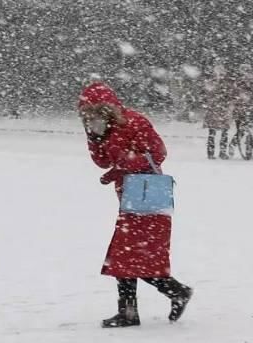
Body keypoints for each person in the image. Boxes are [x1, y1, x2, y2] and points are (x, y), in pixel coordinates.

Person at [78, 82, 193, 328]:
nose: (90, 116)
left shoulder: (134, 121)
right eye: (86, 113)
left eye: (94, 111)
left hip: (148, 194)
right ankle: (155, 301)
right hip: (129, 197)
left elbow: (158, 152)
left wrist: (122, 167)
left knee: (130, 257)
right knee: (127, 257)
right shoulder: (103, 129)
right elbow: (101, 161)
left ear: (108, 107)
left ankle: (169, 295)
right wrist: (94, 138)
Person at [203, 66, 233, 159]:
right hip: (215, 110)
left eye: (222, 73)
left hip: (221, 111)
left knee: (223, 133)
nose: (221, 76)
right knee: (213, 133)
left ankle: (221, 152)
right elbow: (208, 94)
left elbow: (230, 95)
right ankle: (211, 153)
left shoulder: (226, 84)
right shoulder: (211, 83)